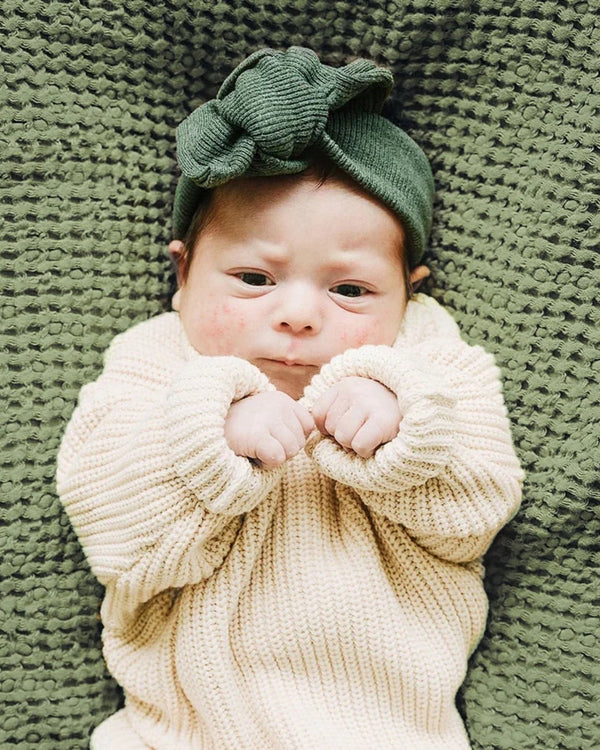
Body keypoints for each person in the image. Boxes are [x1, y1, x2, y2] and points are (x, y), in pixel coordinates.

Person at [56, 46, 523, 749]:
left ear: (408, 293)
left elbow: (479, 511)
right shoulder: (156, 361)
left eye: (350, 290)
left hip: (391, 730)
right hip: (178, 731)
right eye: (253, 278)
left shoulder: (428, 364)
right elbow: (110, 525)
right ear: (184, 273)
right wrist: (208, 440)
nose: (299, 315)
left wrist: (404, 435)